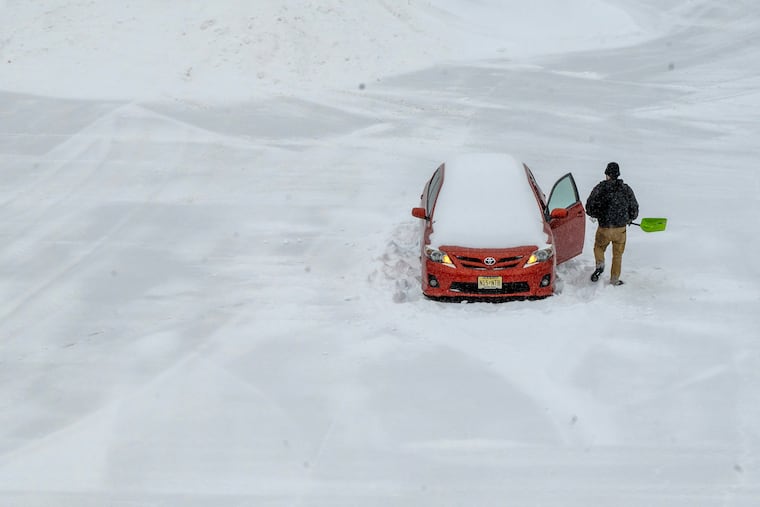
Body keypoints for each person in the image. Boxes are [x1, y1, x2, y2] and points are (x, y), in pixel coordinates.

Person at [585, 162, 639, 285]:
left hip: (604, 227)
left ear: (607, 174)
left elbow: (589, 206)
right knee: (618, 255)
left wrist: (595, 214)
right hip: (620, 229)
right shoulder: (626, 189)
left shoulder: (600, 188)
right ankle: (614, 279)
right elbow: (634, 208)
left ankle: (600, 264)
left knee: (599, 247)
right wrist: (630, 218)